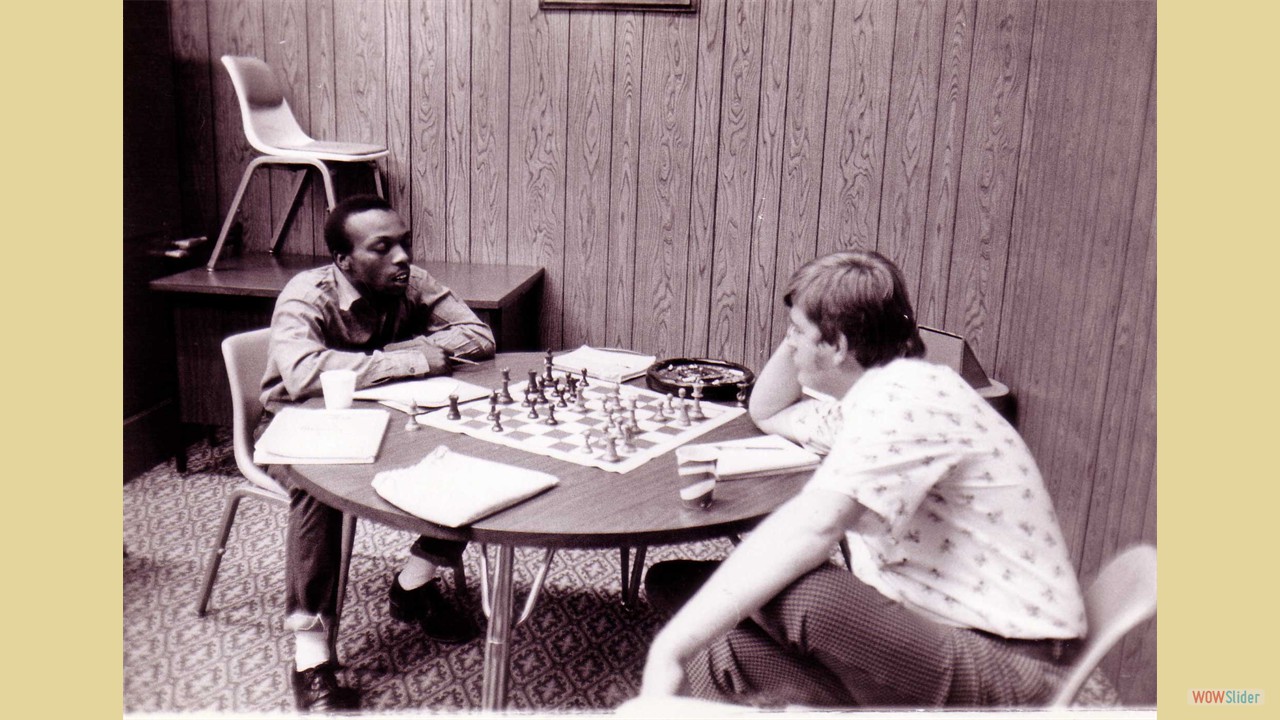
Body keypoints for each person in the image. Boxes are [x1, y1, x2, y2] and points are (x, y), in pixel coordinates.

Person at [639, 250, 1086, 709]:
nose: (789, 345)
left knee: (800, 590)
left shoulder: (910, 399)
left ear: (837, 347)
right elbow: (769, 409)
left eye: (797, 332)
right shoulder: (872, 400)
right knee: (703, 616)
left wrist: (668, 650)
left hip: (1012, 667)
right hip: (930, 629)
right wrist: (814, 311)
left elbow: (815, 527)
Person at [260, 195, 496, 711]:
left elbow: (479, 336)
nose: (402, 257)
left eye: (405, 243)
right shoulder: (307, 294)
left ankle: (414, 582)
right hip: (297, 428)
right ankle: (311, 654)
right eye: (382, 248)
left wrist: (375, 362)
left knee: (476, 445)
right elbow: (302, 375)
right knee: (318, 487)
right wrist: (408, 358)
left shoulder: (410, 280)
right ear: (343, 260)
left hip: (386, 417)